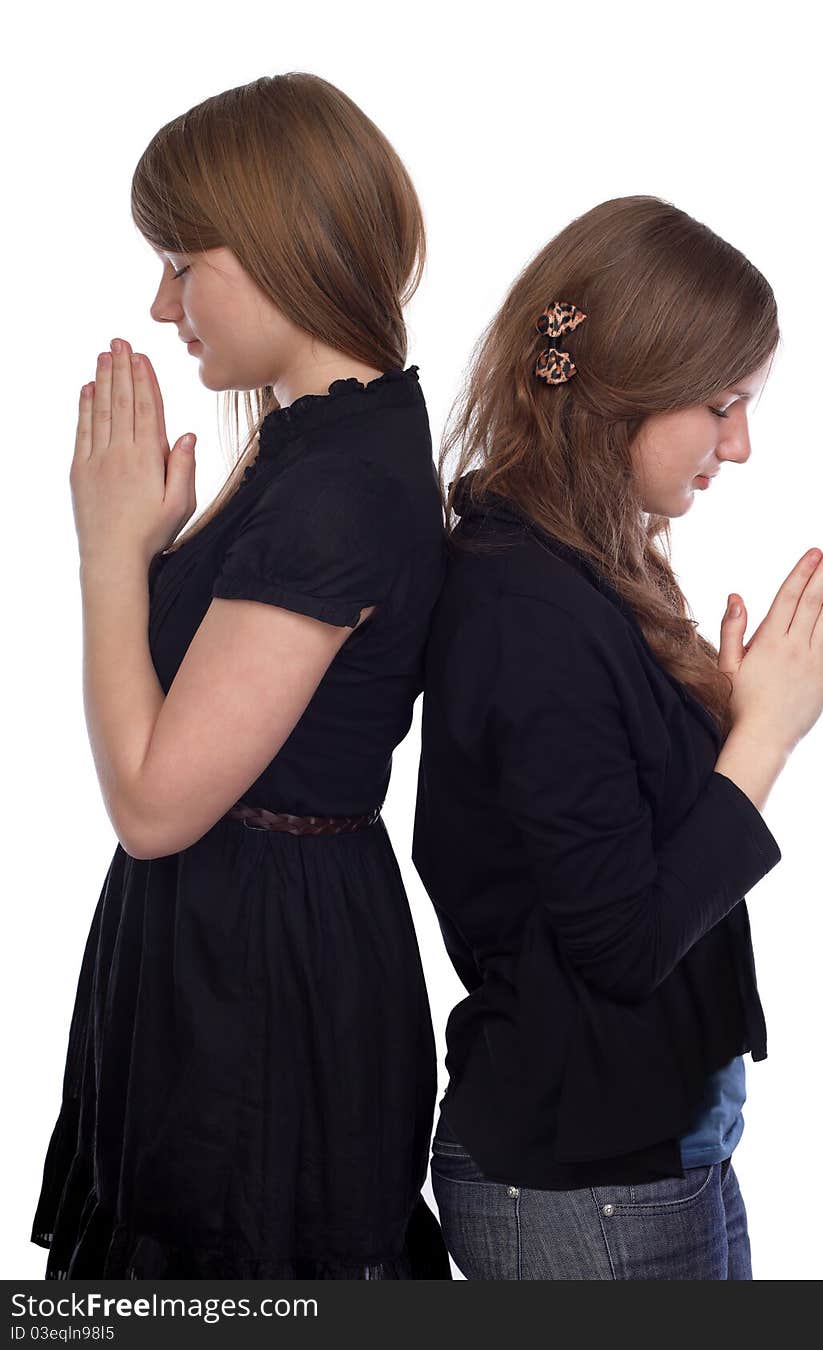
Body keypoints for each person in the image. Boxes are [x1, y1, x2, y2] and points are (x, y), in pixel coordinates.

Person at [31, 72, 451, 1280]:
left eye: (180, 262)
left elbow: (156, 806)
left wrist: (111, 557)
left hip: (261, 979)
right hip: (231, 942)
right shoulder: (310, 434)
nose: (163, 302)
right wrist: (157, 549)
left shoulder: (335, 485)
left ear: (279, 247)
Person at [411, 195, 823, 1280]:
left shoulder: (570, 570)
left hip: (638, 1163)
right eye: (720, 405)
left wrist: (715, 712)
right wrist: (765, 739)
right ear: (620, 399)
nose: (739, 445)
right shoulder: (529, 608)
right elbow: (621, 945)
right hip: (588, 1188)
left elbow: (610, 839)